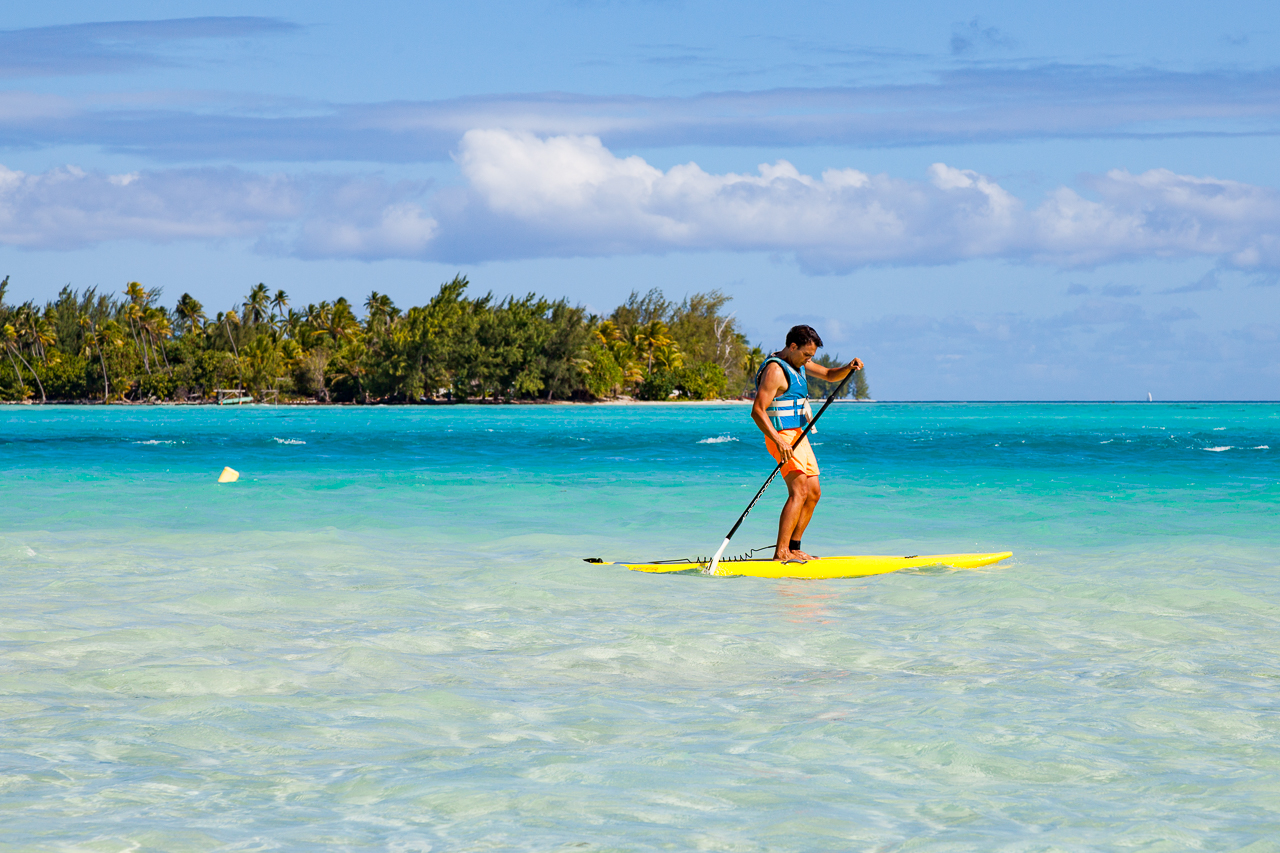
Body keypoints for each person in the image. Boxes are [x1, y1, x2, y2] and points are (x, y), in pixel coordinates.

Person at [751, 324, 863, 562]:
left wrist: (848, 367)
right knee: (799, 490)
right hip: (781, 436)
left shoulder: (798, 363)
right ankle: (780, 552)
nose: (808, 360)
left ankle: (794, 547)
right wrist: (778, 440)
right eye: (806, 355)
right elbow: (758, 412)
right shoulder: (775, 371)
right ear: (793, 347)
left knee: (813, 493)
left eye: (811, 356)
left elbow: (830, 375)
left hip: (799, 435)